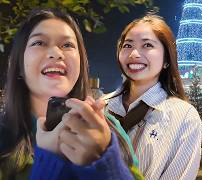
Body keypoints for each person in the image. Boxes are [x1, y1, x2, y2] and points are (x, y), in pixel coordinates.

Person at [0, 9, 137, 179]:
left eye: (67, 45)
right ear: (19, 64)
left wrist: (105, 161)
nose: (56, 53)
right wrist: (50, 160)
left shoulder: (110, 130)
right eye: (39, 43)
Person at [105, 14, 202, 179]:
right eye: (127, 45)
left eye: (147, 45)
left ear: (166, 59)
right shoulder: (100, 107)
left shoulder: (184, 117)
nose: (134, 53)